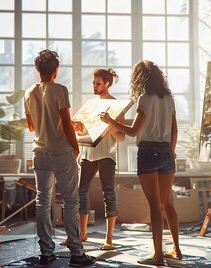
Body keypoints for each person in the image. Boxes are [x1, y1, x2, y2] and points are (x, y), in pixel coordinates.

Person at [100, 60, 182, 265]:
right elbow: (175, 131)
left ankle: (158, 256)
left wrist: (110, 121)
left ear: (140, 78)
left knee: (155, 204)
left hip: (148, 152)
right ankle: (177, 250)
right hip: (166, 152)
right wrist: (170, 153)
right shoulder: (168, 99)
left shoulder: (144, 98)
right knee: (167, 203)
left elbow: (134, 131)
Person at [24, 49, 96, 266]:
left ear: (38, 70)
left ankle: (46, 252)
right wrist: (75, 146)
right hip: (61, 152)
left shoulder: (28, 93)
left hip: (39, 152)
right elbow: (65, 123)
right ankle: (76, 253)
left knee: (43, 202)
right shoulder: (60, 90)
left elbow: (31, 126)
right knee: (71, 201)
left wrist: (48, 123)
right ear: (55, 70)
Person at [73, 68, 125, 250]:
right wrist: (79, 128)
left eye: (98, 83)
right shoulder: (91, 105)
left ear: (107, 84)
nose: (94, 86)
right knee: (81, 191)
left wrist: (109, 122)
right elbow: (85, 133)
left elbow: (121, 137)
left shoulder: (117, 105)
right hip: (88, 153)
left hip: (106, 154)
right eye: (93, 83)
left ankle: (109, 238)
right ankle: (82, 233)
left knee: (108, 192)